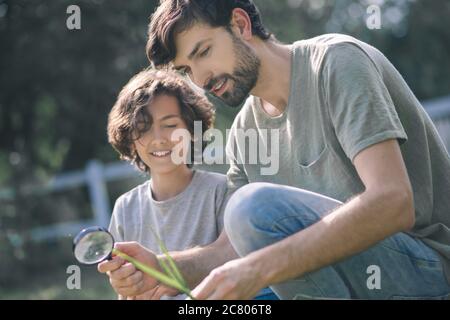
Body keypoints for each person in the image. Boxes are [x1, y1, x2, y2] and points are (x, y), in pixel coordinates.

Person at [102, 0, 450, 299]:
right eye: (187, 70)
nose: (201, 79)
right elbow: (230, 249)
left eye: (204, 52)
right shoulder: (243, 131)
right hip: (356, 280)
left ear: (240, 24)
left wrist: (260, 267)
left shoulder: (335, 63)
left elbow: (393, 202)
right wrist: (161, 269)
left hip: (428, 269)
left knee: (250, 207)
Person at [102, 68, 230, 299]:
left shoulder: (222, 191)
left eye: (170, 125)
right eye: (143, 128)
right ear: (130, 141)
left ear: (191, 129)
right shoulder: (125, 208)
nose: (159, 138)